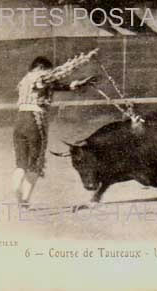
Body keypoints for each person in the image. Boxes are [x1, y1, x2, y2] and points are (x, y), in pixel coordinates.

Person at [12, 51, 98, 206]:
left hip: (19, 121)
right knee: (36, 163)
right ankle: (24, 199)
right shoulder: (39, 77)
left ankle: (16, 187)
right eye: (47, 70)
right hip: (34, 120)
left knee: (21, 164)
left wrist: (78, 84)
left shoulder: (24, 81)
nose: (49, 72)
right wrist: (84, 59)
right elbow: (58, 74)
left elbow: (59, 85)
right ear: (40, 68)